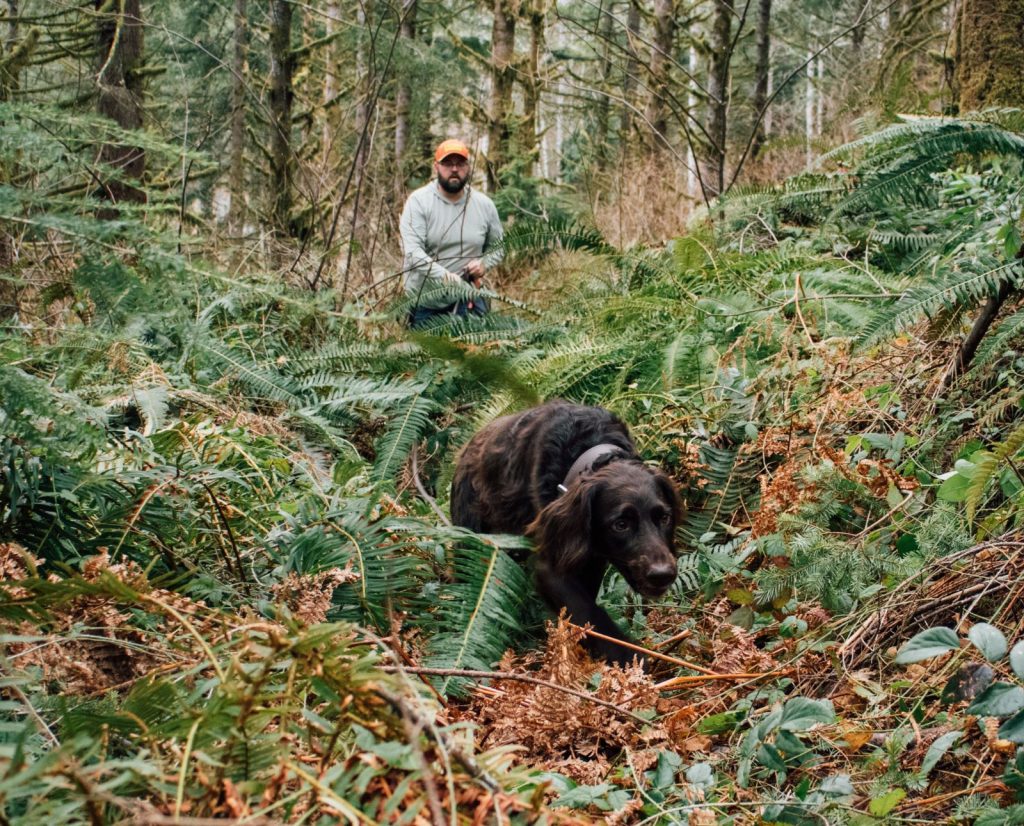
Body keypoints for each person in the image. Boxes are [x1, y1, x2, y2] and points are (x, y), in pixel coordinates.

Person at [399, 139, 504, 328]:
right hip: (425, 302)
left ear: (468, 167)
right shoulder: (419, 202)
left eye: (460, 163)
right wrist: (446, 277)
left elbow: (499, 247)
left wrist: (484, 263)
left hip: (469, 299)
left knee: (472, 356)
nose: (454, 169)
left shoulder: (484, 205)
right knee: (426, 357)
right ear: (436, 166)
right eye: (448, 163)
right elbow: (413, 252)